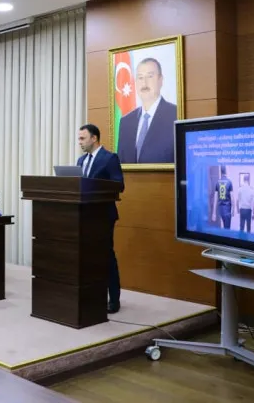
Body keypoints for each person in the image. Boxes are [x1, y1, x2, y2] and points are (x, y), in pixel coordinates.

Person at [76, 124, 125, 314]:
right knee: (87, 256)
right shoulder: (81, 160)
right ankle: (93, 295)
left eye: (82, 138)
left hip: (103, 216)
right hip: (83, 216)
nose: (80, 142)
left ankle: (114, 299)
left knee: (106, 256)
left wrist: (92, 187)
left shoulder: (110, 158)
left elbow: (119, 185)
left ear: (94, 138)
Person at [116, 58, 178, 164]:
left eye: (150, 76)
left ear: (160, 80)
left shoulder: (175, 114)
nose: (144, 83)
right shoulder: (126, 121)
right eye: (140, 77)